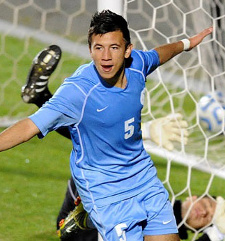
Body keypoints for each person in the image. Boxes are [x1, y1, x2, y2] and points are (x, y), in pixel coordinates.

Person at [0, 10, 213, 241]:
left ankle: (87, 221)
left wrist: (186, 44)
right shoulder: (78, 90)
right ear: (90, 50)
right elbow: (29, 126)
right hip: (105, 191)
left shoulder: (137, 65)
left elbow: (157, 55)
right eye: (98, 48)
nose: (106, 57)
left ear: (127, 49)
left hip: (142, 178)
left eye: (113, 47)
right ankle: (87, 218)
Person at [21, 44, 189, 241]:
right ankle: (41, 97)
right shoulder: (129, 70)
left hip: (83, 226)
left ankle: (41, 97)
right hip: (96, 198)